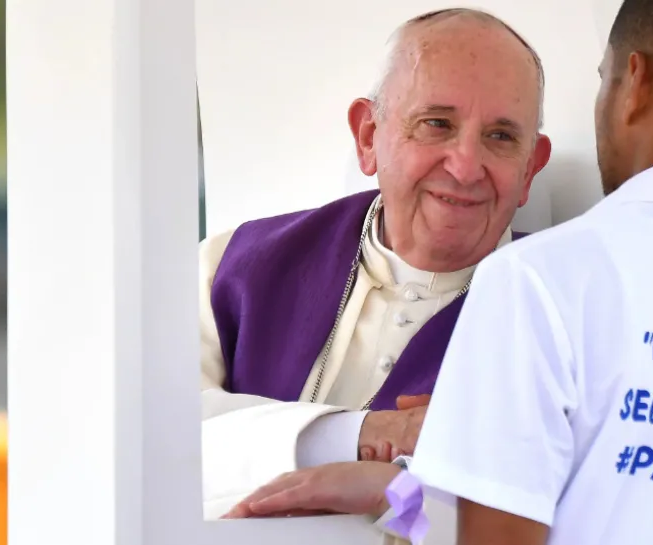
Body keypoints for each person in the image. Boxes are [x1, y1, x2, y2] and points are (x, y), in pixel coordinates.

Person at [229, 1, 653, 544]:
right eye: (436, 124)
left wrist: (398, 496)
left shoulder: (543, 278)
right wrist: (402, 482)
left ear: (635, 83)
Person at [201, 7, 551, 520]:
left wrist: (402, 496)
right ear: (368, 136)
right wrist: (363, 435)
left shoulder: (561, 316)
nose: (465, 166)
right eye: (437, 124)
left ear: (530, 170)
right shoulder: (232, 264)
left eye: (500, 137)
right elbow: (144, 435)